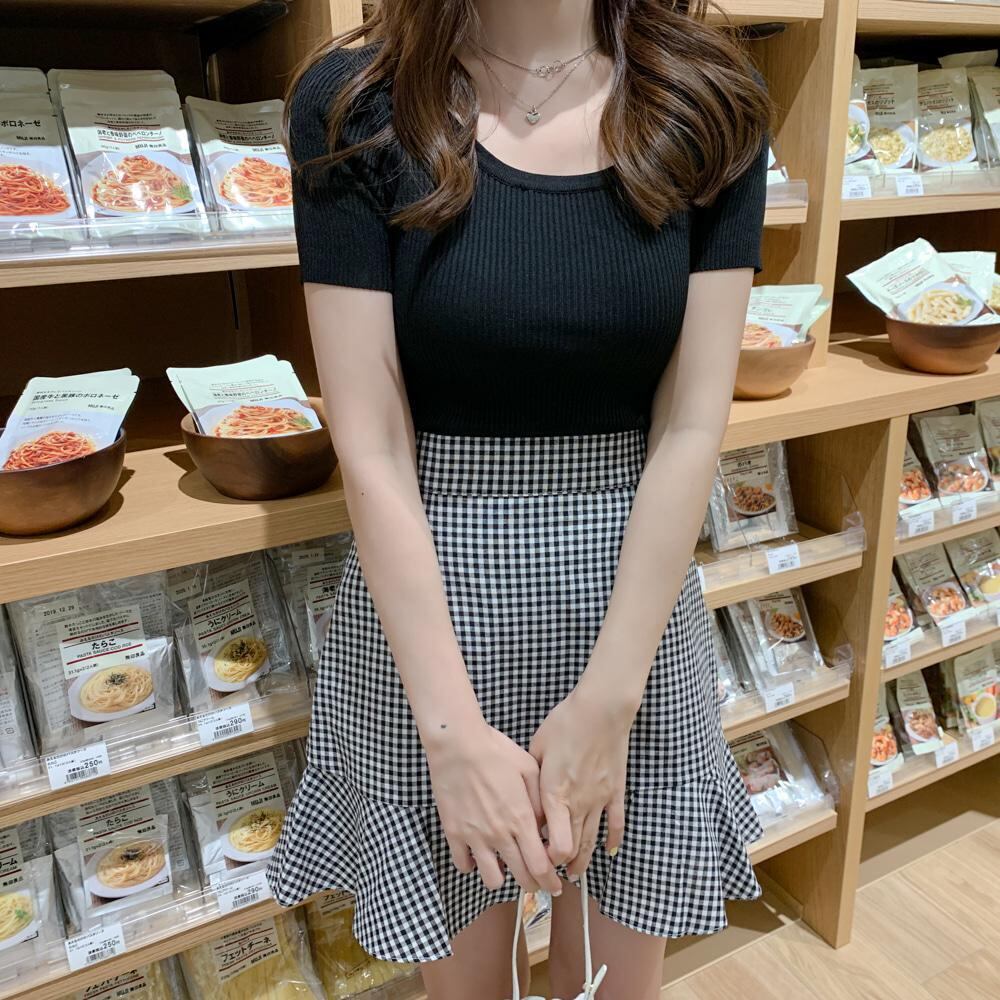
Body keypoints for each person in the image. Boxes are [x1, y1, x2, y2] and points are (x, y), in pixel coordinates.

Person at [266, 1, 771, 997]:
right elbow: (372, 444)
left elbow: (689, 426)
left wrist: (611, 700)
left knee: (615, 978)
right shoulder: (358, 103)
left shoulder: (708, 97)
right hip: (433, 617)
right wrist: (450, 736)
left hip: (630, 607)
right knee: (466, 984)